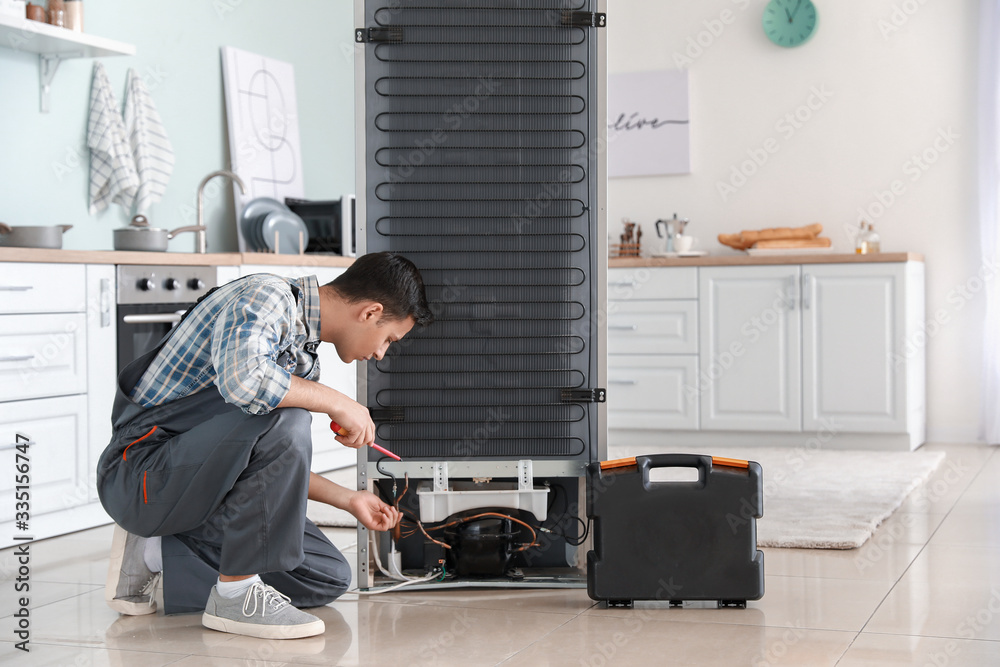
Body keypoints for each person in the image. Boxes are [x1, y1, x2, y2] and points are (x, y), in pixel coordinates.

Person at [96, 252, 432, 640]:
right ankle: (235, 595)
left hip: (191, 483)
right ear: (371, 312)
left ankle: (154, 550)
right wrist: (337, 401)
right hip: (140, 476)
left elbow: (265, 458)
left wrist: (348, 498)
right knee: (287, 416)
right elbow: (247, 383)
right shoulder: (265, 296)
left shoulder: (303, 357)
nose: (380, 353)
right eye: (389, 339)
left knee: (326, 576)